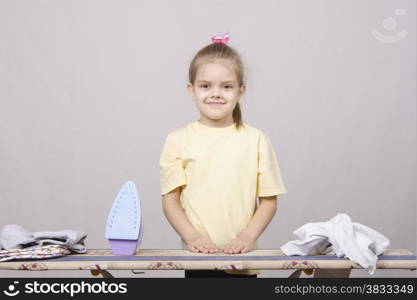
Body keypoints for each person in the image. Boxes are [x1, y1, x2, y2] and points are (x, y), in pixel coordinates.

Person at [159, 33, 287, 278]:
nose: (215, 93)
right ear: (191, 89)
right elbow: (170, 201)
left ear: (240, 90)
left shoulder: (257, 140)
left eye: (226, 86)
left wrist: (246, 238)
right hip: (198, 260)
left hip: (243, 260)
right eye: (205, 86)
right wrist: (192, 237)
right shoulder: (177, 140)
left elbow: (269, 201)